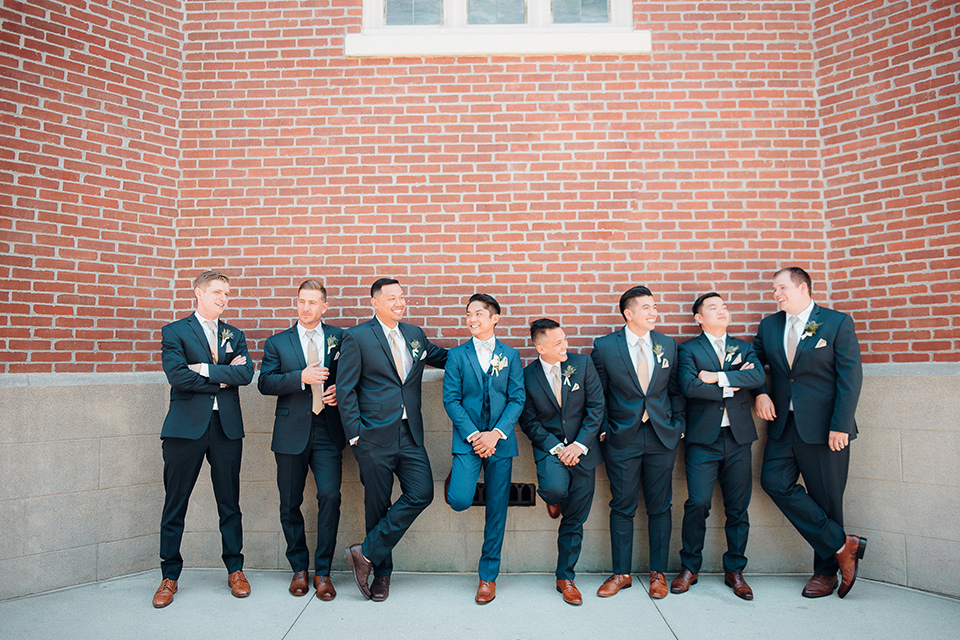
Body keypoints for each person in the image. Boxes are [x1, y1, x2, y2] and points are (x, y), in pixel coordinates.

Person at [753, 267, 866, 598]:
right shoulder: (769, 326)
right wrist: (760, 391)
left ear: (804, 288)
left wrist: (840, 425)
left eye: (783, 287)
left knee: (827, 499)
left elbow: (850, 377)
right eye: (775, 289)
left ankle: (824, 573)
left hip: (825, 428)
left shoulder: (836, 322)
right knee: (773, 482)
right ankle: (842, 545)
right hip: (783, 426)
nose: (777, 293)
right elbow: (753, 362)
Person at [337, 278, 447, 601]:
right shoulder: (356, 337)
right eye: (392, 298)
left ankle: (365, 553)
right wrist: (355, 435)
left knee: (421, 491)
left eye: (402, 297)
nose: (399, 303)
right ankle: (382, 575)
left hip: (409, 433)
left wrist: (481, 352)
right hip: (372, 436)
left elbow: (442, 357)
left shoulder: (414, 334)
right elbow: (345, 390)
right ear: (374, 302)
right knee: (377, 505)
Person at [153, 270, 255, 608]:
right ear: (198, 293)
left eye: (227, 293)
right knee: (175, 503)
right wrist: (223, 377)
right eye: (216, 292)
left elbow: (245, 374)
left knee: (229, 502)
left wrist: (204, 369)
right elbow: (178, 376)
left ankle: (235, 570)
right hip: (185, 429)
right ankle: (169, 576)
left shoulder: (234, 334)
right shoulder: (175, 332)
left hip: (226, 428)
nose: (223, 298)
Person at [591, 285, 685, 600]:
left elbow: (675, 389)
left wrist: (678, 425)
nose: (653, 312)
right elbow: (598, 394)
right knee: (622, 506)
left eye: (654, 306)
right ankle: (621, 573)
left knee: (660, 507)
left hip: (661, 436)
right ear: (628, 314)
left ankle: (658, 573)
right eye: (646, 307)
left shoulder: (668, 345)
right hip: (621, 438)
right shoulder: (604, 347)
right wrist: (605, 428)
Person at [670, 293, 765, 600]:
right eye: (713, 308)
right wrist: (733, 384)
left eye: (724, 307)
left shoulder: (745, 347)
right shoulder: (688, 350)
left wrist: (718, 377)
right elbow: (689, 386)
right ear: (699, 318)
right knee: (697, 503)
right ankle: (689, 568)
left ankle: (735, 570)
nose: (722, 311)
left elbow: (757, 375)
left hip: (738, 439)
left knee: (738, 509)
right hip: (702, 440)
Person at [258, 279, 344, 600]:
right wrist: (300, 378)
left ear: (324, 307)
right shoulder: (278, 342)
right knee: (290, 502)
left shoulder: (339, 338)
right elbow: (265, 382)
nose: (305, 308)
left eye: (312, 302)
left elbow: (352, 376)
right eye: (301, 302)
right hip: (290, 432)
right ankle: (299, 569)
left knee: (330, 496)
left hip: (327, 431)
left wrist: (340, 392)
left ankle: (323, 572)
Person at [442, 294, 524, 604]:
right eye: (468, 314)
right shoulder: (457, 355)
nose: (472, 319)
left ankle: (487, 577)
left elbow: (517, 398)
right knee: (460, 499)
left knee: (496, 509)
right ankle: (458, 477)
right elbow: (451, 399)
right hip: (468, 440)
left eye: (478, 313)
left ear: (495, 318)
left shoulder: (511, 355)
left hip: (500, 444)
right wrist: (476, 435)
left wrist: (496, 434)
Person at [519, 318, 604, 606]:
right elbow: (529, 420)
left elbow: (596, 407)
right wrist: (557, 447)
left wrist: (579, 445)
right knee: (554, 489)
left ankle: (565, 578)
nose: (565, 346)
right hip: (550, 448)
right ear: (540, 348)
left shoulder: (583, 364)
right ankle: (553, 498)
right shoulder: (527, 376)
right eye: (558, 343)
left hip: (584, 449)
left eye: (565, 339)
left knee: (575, 519)